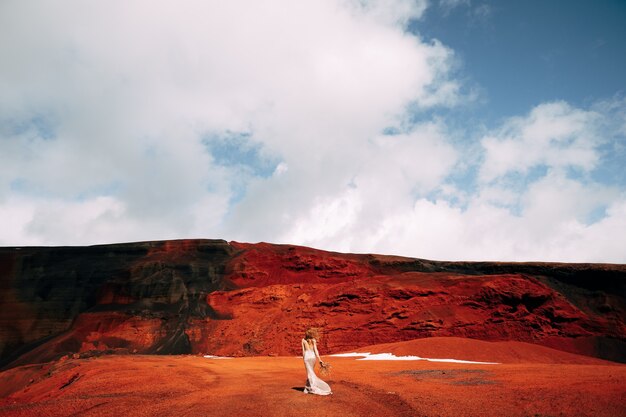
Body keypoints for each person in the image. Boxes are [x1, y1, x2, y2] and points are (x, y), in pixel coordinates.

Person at [302, 328, 332, 395]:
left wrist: (303, 359)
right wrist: (319, 359)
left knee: (309, 373)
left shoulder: (303, 340)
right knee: (311, 372)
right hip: (313, 357)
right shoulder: (313, 340)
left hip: (307, 357)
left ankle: (312, 387)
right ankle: (307, 388)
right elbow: (316, 350)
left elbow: (303, 351)